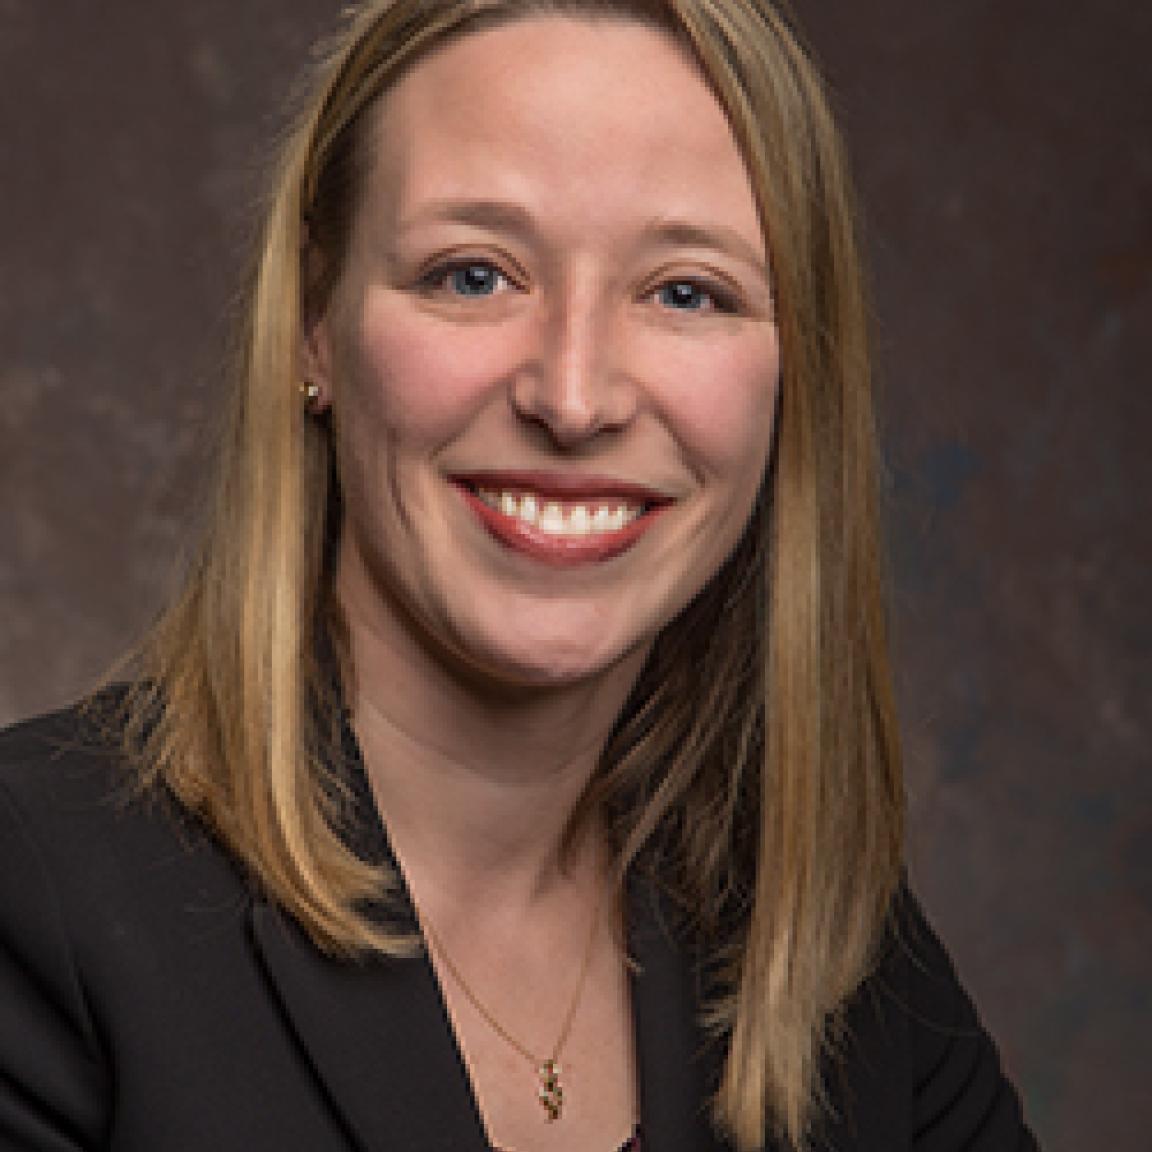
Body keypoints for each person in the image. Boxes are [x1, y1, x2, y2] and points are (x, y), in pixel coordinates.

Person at [0, 0, 1041, 1149]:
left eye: (687, 291)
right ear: (313, 319)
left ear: (794, 379)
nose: (575, 395)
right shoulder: (32, 894)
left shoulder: (838, 959)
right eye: (474, 275)